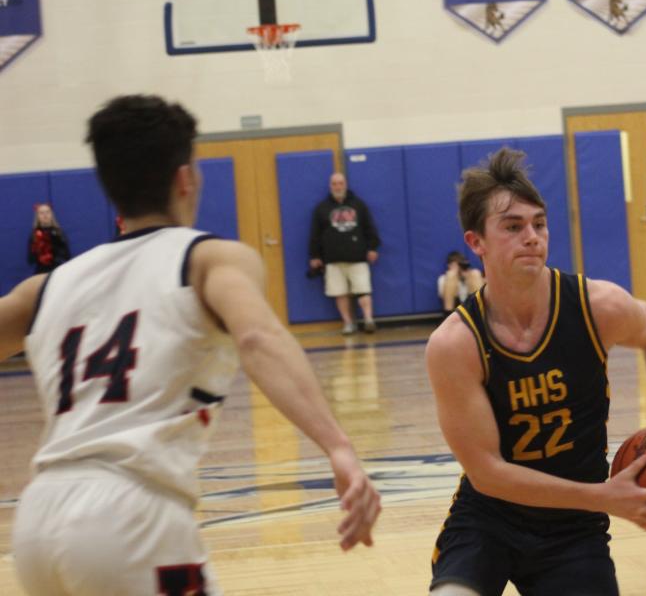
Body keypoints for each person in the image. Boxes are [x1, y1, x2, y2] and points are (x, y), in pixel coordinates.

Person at [0, 95, 380, 595]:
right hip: (131, 514)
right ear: (186, 178)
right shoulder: (207, 259)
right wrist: (338, 446)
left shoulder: (45, 287)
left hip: (36, 521)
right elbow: (258, 337)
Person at [426, 148, 646, 596]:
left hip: (573, 530)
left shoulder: (597, 306)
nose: (531, 236)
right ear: (477, 242)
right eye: (513, 227)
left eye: (539, 224)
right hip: (491, 517)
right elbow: (488, 472)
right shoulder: (456, 344)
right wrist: (604, 497)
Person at [308, 173, 381, 334]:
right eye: (334, 184)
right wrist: (314, 256)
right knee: (339, 293)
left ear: (345, 184)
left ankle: (368, 320)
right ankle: (348, 323)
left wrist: (373, 248)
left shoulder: (359, 205)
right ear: (330, 186)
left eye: (340, 183)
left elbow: (370, 228)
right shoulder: (321, 208)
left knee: (363, 290)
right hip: (333, 260)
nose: (338, 187)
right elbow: (315, 234)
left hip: (358, 258)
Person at [27, 203, 71, 274]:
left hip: (57, 270)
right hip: (41, 271)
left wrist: (56, 247)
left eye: (47, 212)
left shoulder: (59, 233)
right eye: (41, 213)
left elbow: (67, 256)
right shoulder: (34, 234)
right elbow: (30, 260)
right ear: (37, 216)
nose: (45, 215)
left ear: (51, 215)